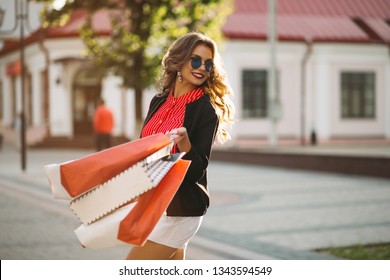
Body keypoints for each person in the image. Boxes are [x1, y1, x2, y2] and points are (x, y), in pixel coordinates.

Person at [126, 32, 235, 260]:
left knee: (131, 266)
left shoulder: (205, 111)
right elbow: (145, 150)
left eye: (208, 63)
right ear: (180, 60)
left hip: (180, 211)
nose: (202, 67)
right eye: (196, 60)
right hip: (155, 206)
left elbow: (197, 170)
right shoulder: (158, 101)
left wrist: (185, 145)